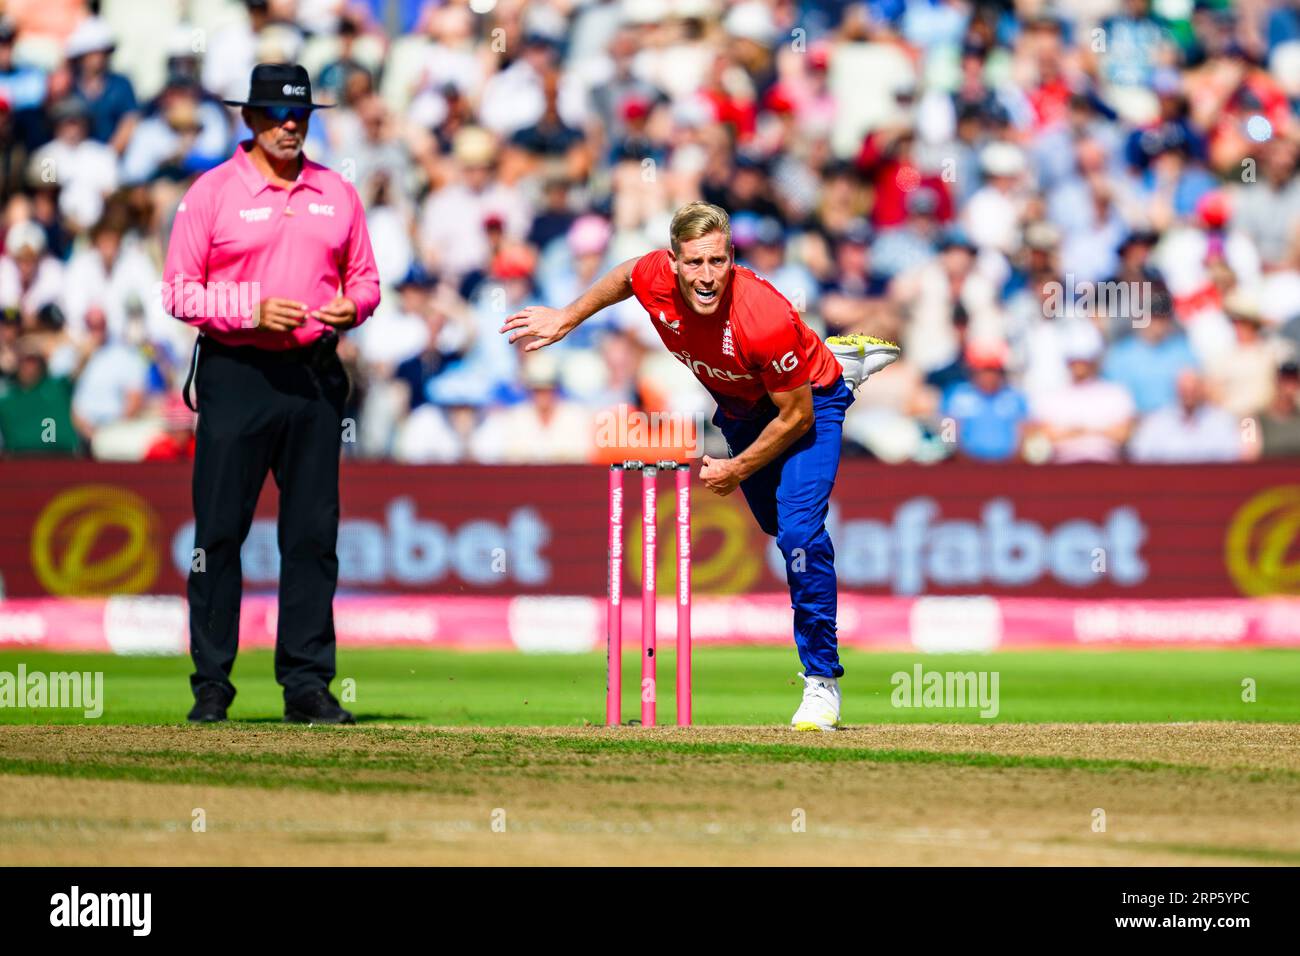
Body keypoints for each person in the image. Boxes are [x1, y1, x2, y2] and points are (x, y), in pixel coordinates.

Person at [500, 201, 898, 731]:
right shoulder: (654, 277)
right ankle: (837, 359)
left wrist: (735, 470)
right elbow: (624, 276)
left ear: (731, 257)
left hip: (807, 407)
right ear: (674, 262)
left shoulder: (763, 316)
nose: (706, 277)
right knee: (781, 527)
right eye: (694, 263)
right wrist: (568, 318)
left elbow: (796, 417)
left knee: (800, 537)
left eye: (717, 261)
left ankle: (821, 683)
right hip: (741, 411)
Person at [162, 63, 380, 724]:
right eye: (279, 115)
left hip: (314, 374)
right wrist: (250, 311)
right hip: (237, 373)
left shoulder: (335, 191)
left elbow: (367, 281)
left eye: (301, 116)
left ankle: (308, 685)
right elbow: (179, 290)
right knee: (219, 532)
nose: (291, 126)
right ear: (250, 120)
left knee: (313, 535)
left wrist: (352, 308)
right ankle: (212, 687)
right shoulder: (212, 192)